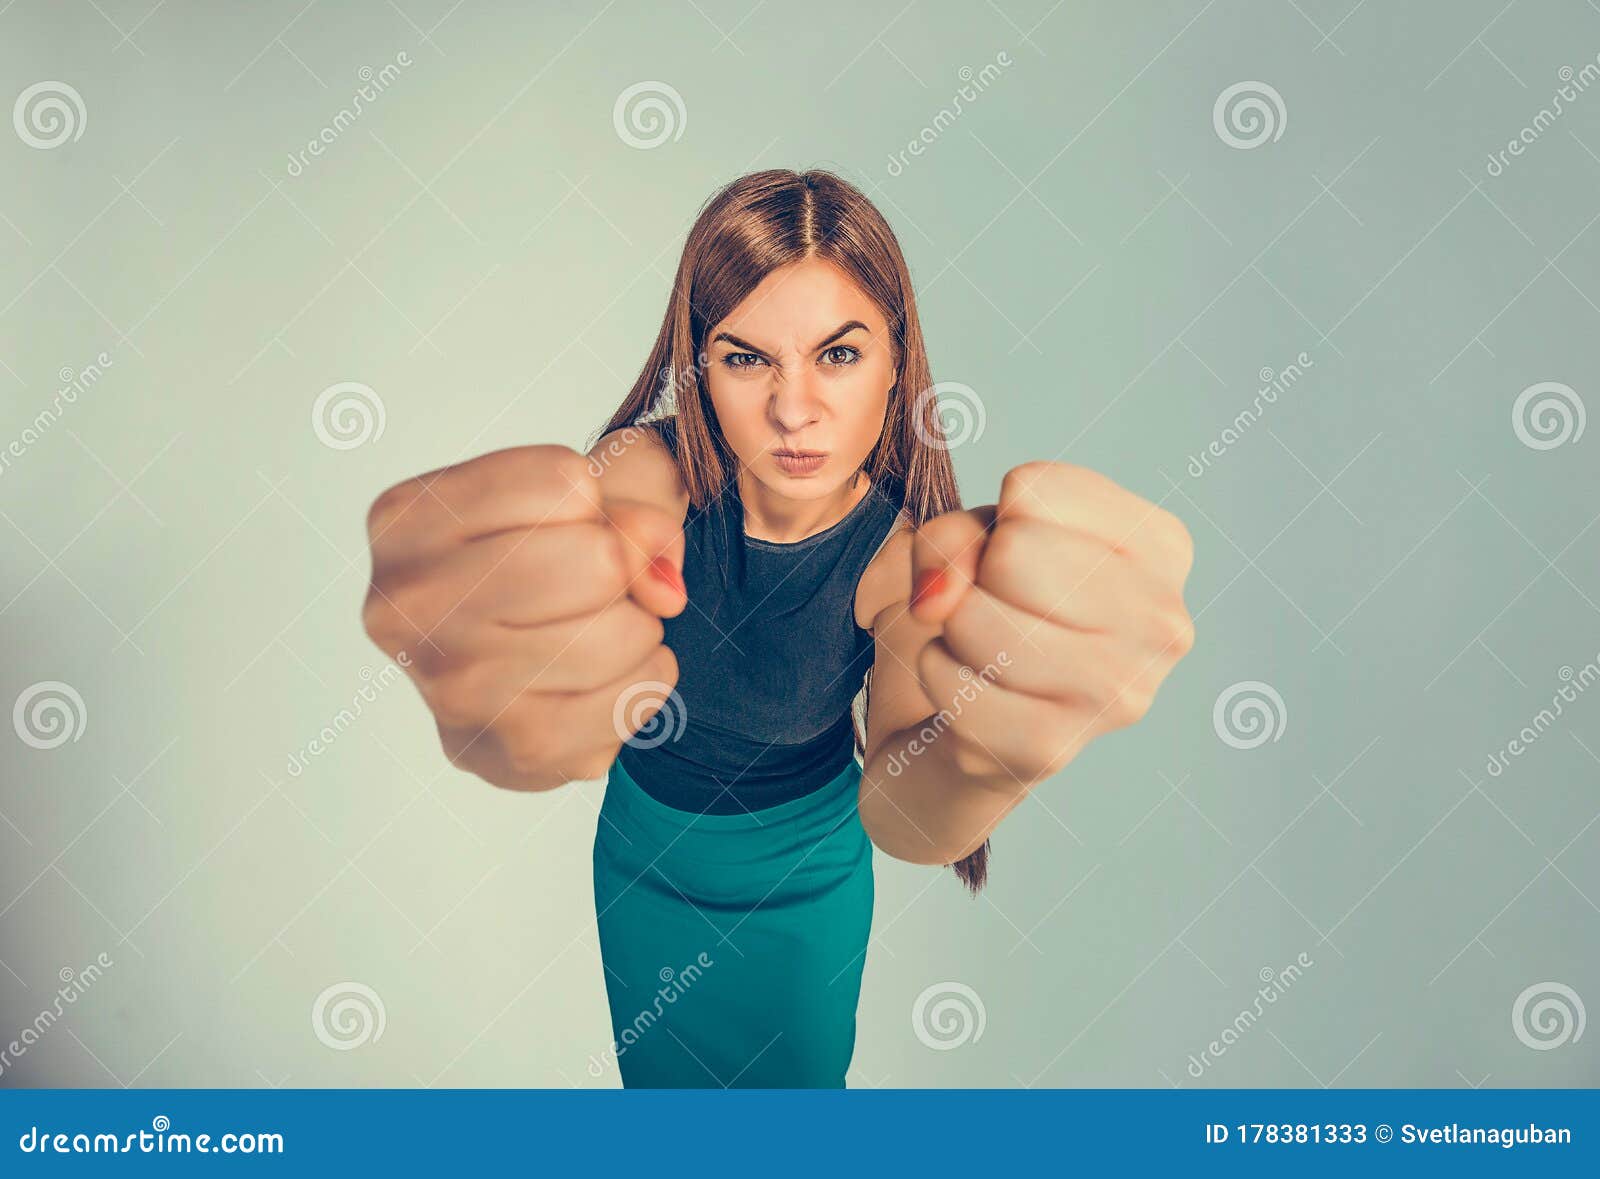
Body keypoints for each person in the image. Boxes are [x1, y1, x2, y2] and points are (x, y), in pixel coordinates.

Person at [361, 169, 1195, 1088]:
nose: (794, 410)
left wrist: (988, 754)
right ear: (698, 367)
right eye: (747, 358)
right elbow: (613, 499)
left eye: (838, 355)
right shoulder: (651, 462)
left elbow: (908, 815)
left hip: (805, 881)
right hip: (647, 863)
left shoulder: (899, 558)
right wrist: (530, 582)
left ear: (897, 361)